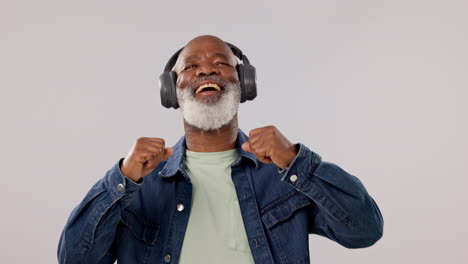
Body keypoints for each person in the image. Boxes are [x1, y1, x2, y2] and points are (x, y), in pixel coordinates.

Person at [58, 35, 383, 264]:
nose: (206, 71)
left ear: (245, 83)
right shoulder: (139, 183)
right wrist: (122, 180)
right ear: (171, 90)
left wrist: (297, 162)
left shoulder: (283, 175)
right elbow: (75, 258)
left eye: (220, 63)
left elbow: (364, 230)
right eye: (191, 67)